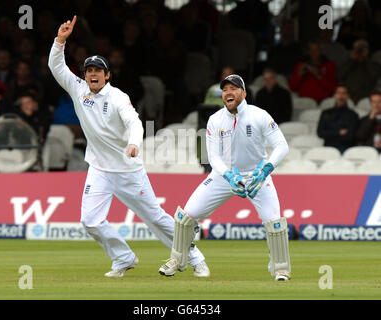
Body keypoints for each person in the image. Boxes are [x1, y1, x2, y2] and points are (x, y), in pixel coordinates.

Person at [48, 16, 207, 278]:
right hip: (99, 169)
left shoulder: (119, 97)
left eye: (98, 71)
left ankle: (194, 257)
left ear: (108, 75)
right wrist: (60, 41)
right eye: (89, 70)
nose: (93, 74)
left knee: (155, 218)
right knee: (90, 221)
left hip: (128, 170)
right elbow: (57, 67)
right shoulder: (79, 90)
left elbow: (135, 122)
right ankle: (123, 258)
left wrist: (134, 144)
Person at [159, 74, 291, 281]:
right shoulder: (215, 119)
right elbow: (213, 156)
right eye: (225, 90)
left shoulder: (259, 115)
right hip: (224, 176)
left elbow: (282, 146)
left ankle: (280, 268)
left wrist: (265, 170)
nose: (229, 93)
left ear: (244, 93)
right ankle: (177, 259)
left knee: (274, 223)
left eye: (234, 89)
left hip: (257, 176)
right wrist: (229, 175)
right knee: (186, 216)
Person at [317, 85, 359, 153]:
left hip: (346, 148)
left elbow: (350, 136)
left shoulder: (353, 115)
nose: (341, 96)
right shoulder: (326, 113)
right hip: (328, 148)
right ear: (334, 95)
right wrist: (339, 132)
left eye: (344, 93)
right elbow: (320, 133)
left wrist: (331, 132)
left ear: (348, 96)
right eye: (338, 93)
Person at [337, 39, 381, 104]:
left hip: (366, 97)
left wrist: (365, 59)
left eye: (363, 48)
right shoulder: (346, 63)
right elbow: (339, 75)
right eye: (358, 48)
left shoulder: (373, 64)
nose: (360, 51)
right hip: (348, 96)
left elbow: (374, 76)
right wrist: (351, 60)